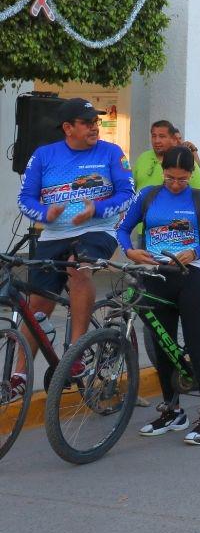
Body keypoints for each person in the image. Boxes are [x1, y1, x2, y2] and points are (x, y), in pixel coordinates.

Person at [13, 98, 135, 396]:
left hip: (98, 229)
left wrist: (96, 209)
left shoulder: (111, 152)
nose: (94, 127)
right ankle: (19, 374)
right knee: (37, 305)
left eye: (96, 121)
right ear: (68, 128)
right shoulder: (44, 155)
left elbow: (128, 193)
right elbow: (25, 198)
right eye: (87, 122)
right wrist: (45, 214)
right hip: (54, 234)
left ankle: (75, 352)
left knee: (79, 268)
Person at [118, 147, 200, 445]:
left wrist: (196, 251)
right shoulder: (147, 196)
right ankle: (173, 411)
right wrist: (130, 251)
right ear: (162, 171)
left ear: (191, 174)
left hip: (191, 276)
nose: (176, 184)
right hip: (156, 276)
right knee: (162, 345)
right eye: (170, 178)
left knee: (197, 346)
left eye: (182, 179)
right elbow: (123, 229)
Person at [132, 120, 200, 191]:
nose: (157, 141)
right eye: (154, 136)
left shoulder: (183, 159)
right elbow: (131, 186)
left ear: (173, 139)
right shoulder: (143, 158)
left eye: (162, 136)